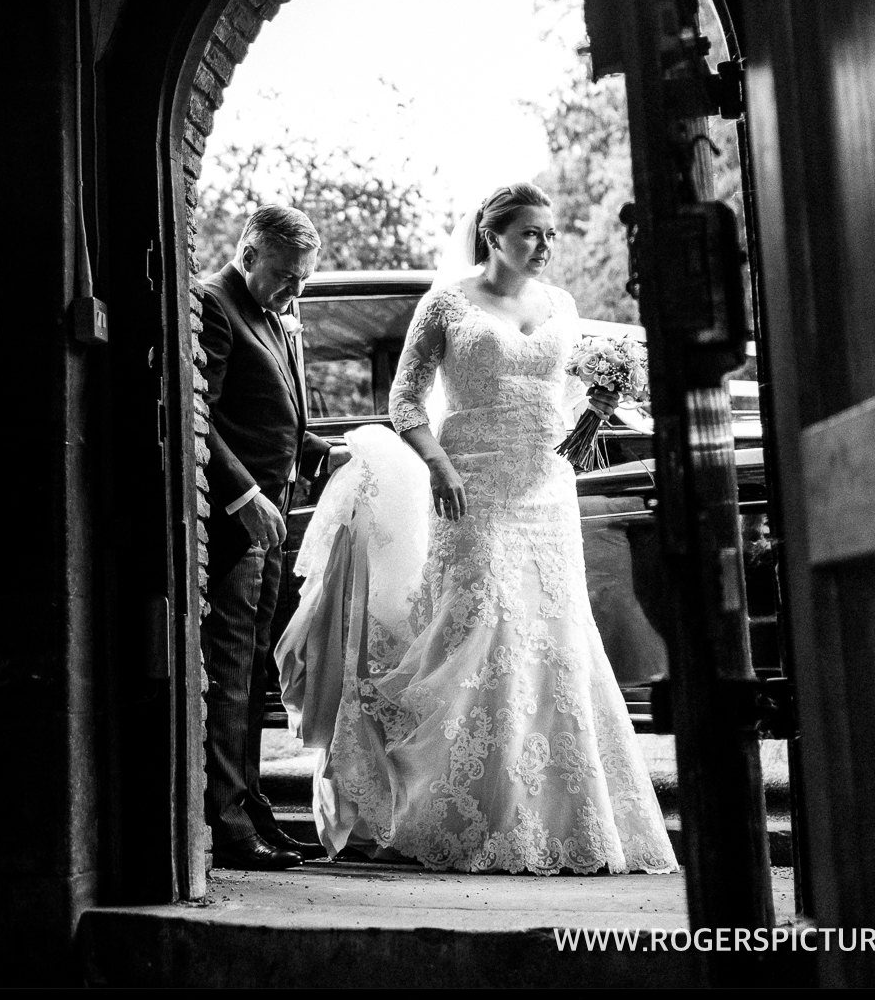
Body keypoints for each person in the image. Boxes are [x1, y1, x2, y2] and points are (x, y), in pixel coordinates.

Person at [275, 182, 675, 874]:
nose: (546, 245)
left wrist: (597, 406)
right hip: (470, 486)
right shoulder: (449, 301)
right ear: (494, 236)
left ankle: (551, 817)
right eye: (531, 234)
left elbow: (561, 389)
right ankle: (459, 809)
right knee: (480, 630)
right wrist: (437, 465)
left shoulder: (562, 306)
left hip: (546, 489)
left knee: (554, 638)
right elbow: (405, 396)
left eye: (550, 233)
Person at [196, 205, 334, 870]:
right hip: (236, 524)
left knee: (254, 675)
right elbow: (202, 412)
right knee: (227, 673)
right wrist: (243, 494)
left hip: (274, 523)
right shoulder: (214, 303)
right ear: (250, 254)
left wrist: (320, 451)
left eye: (303, 280)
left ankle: (254, 811)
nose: (294, 293)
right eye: (286, 277)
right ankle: (225, 827)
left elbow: (274, 414)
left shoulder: (272, 314)